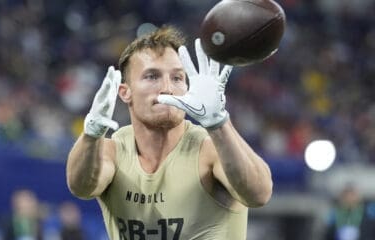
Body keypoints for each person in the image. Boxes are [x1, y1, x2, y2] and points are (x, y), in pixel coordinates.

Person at [66, 26, 273, 240]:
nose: (167, 88)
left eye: (177, 78)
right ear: (125, 92)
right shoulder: (113, 151)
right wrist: (91, 134)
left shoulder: (210, 149)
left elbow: (259, 194)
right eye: (152, 76)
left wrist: (219, 124)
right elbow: (81, 187)